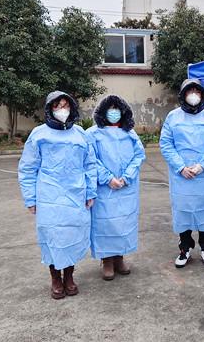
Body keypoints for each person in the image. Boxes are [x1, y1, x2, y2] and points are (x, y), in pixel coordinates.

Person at [18, 91, 97, 300]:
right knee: (53, 237)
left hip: (76, 194)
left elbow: (90, 165)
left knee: (72, 235)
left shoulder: (81, 134)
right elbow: (27, 168)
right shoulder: (39, 134)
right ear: (49, 109)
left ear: (72, 108)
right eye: (57, 106)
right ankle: (55, 278)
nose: (62, 110)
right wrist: (30, 198)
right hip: (49, 196)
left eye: (65, 105)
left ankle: (69, 276)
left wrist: (91, 192)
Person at [160, 79, 204, 268]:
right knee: (183, 211)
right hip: (182, 176)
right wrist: (181, 167)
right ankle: (184, 247)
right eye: (190, 91)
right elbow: (166, 143)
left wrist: (202, 165)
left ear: (202, 94)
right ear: (183, 94)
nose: (193, 94)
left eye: (197, 91)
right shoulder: (173, 117)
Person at [87, 95, 146, 280]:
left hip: (126, 188)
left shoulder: (130, 133)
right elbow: (90, 160)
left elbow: (139, 156)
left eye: (117, 108)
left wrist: (127, 177)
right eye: (109, 108)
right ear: (103, 111)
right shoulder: (93, 134)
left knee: (124, 223)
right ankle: (107, 260)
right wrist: (108, 178)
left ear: (123, 111)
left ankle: (120, 257)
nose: (113, 112)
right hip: (105, 189)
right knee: (105, 224)